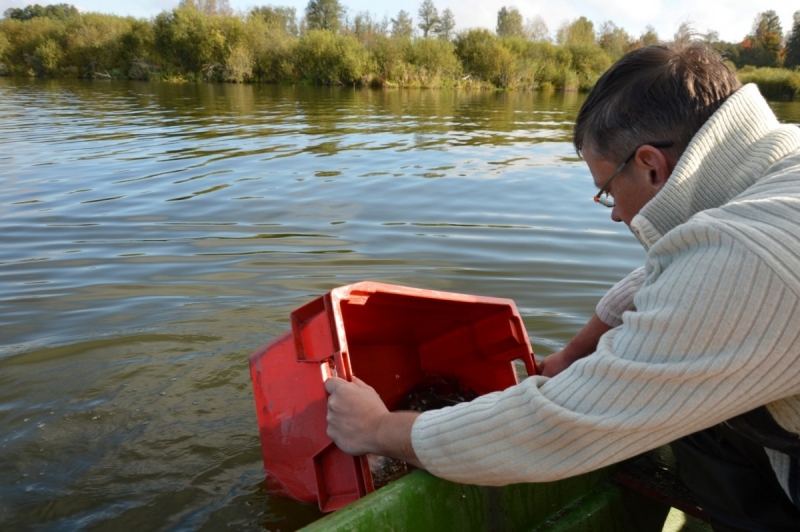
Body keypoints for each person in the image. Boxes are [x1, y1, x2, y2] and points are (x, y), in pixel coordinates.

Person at [325, 42, 800, 531]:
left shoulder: (750, 256)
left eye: (608, 191)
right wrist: (574, 353)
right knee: (698, 420)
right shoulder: (777, 177)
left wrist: (378, 429)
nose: (615, 212)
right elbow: (689, 271)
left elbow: (555, 429)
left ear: (651, 165)